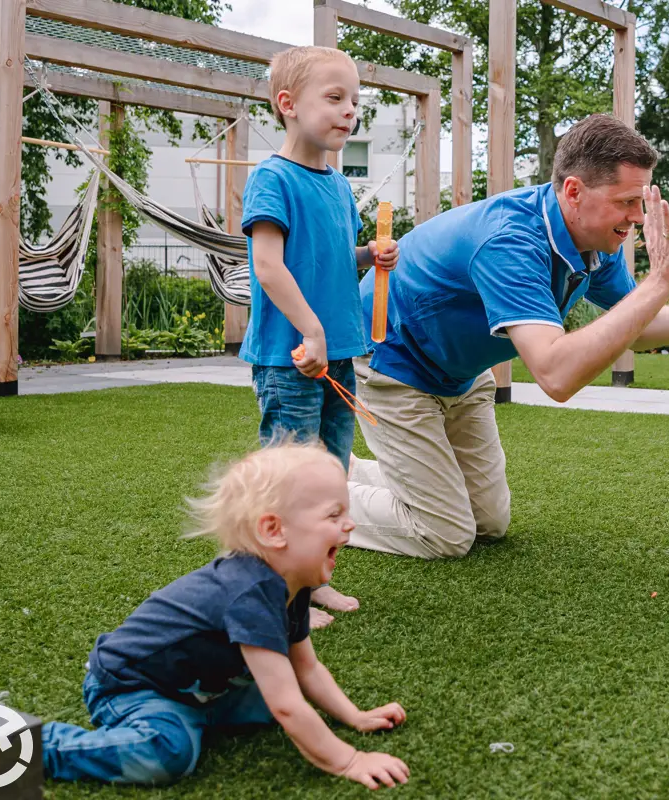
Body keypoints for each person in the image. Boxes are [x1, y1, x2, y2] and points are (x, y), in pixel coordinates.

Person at [344, 113, 669, 560]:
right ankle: (314, 496)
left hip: (460, 374)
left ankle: (365, 471)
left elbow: (640, 326)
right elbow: (555, 375)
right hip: (394, 362)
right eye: (628, 202)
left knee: (488, 524)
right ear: (574, 191)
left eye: (642, 203)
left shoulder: (593, 240)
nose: (637, 217)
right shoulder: (511, 243)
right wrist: (657, 284)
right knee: (445, 535)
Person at [41, 442, 410, 790]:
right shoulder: (249, 592)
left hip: (196, 687)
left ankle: (199, 716)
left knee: (279, 694)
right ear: (273, 530)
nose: (350, 525)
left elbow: (307, 668)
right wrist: (348, 761)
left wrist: (355, 716)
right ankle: (40, 746)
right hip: (130, 686)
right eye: (335, 514)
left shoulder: (293, 583)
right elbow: (287, 706)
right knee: (169, 753)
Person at [240, 45, 398, 626]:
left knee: (331, 474)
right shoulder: (272, 181)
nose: (349, 111)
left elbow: (326, 260)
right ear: (288, 105)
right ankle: (277, 594)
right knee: (290, 482)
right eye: (334, 98)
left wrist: (369, 255)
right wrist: (310, 329)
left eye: (354, 100)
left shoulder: (334, 185)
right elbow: (270, 268)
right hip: (293, 359)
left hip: (335, 356)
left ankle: (308, 582)